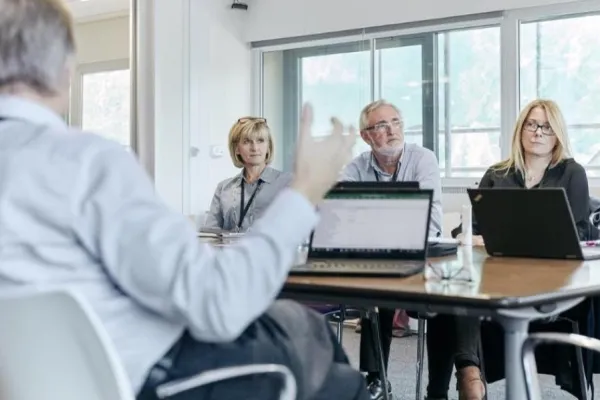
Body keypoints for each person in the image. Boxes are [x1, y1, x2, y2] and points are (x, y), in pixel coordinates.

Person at [0, 1, 367, 400]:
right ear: (65, 69)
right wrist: (306, 191)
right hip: (152, 379)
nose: (255, 147)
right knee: (334, 370)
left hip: (38, 383)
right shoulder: (85, 161)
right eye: (248, 141)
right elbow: (219, 304)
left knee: (302, 330)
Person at [425, 99, 598, 400]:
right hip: (496, 277)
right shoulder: (497, 173)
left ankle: (468, 376)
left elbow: (580, 231)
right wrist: (471, 236)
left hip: (551, 283)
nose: (538, 132)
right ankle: (462, 378)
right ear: (521, 129)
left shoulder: (572, 173)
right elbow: (470, 228)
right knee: (449, 297)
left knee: (463, 297)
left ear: (557, 134)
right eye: (532, 124)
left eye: (546, 127)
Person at [339, 99, 443, 400]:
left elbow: (429, 219)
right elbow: (343, 216)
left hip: (422, 255)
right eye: (382, 125)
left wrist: (372, 217)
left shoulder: (423, 159)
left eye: (396, 122)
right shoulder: (356, 168)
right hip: (378, 257)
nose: (392, 130)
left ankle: (437, 390)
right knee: (374, 287)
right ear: (366, 136)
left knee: (447, 299)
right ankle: (377, 379)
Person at [204, 117, 292, 231]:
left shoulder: (287, 184)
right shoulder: (224, 188)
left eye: (260, 140)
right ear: (237, 149)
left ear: (268, 147)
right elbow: (211, 233)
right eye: (247, 142)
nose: (255, 148)